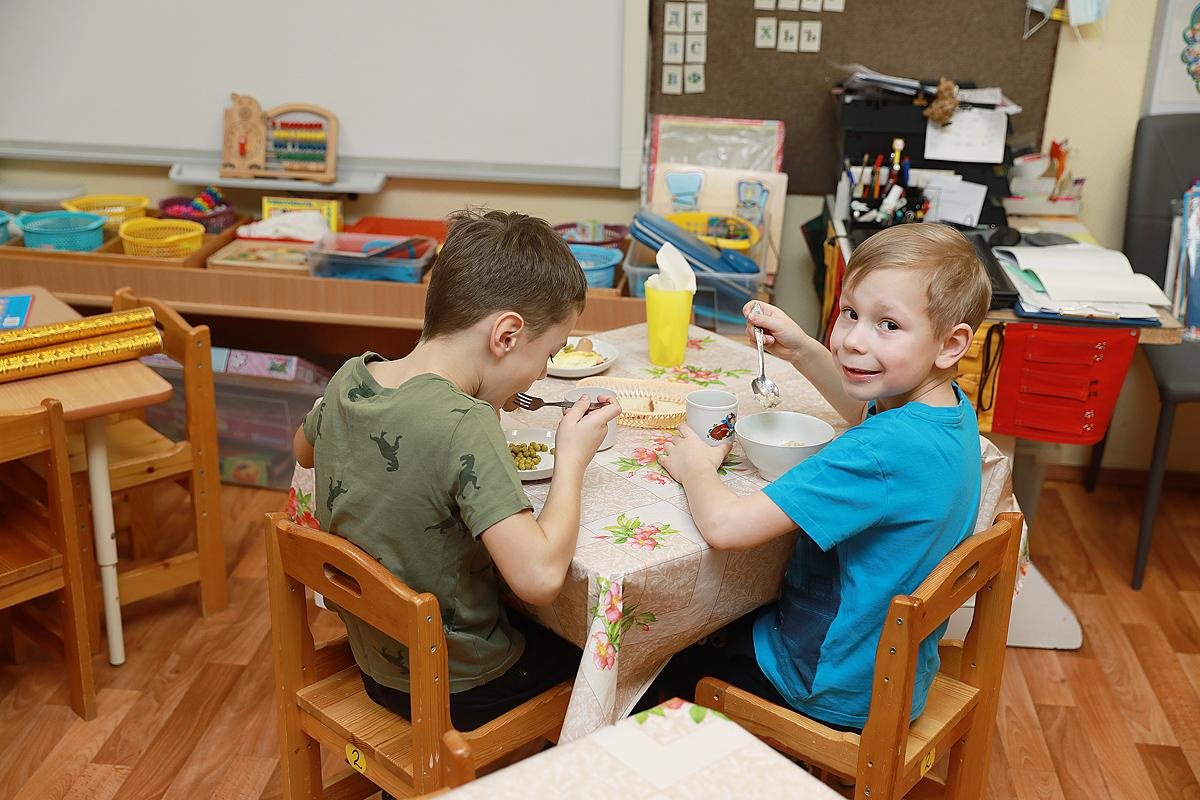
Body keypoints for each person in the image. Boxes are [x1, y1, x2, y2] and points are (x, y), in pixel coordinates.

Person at [650, 223, 991, 730]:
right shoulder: (946, 414)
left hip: (825, 683)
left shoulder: (877, 451)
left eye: (888, 325)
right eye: (850, 313)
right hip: (891, 675)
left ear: (950, 344)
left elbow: (726, 527)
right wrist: (804, 350)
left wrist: (697, 466)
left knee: (660, 661)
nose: (852, 341)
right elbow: (863, 413)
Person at [293, 210, 620, 733]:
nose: (541, 373)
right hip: (457, 682)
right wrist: (572, 459)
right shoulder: (463, 423)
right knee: (623, 665)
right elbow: (538, 578)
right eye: (548, 354)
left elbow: (304, 451)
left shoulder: (350, 378)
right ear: (506, 335)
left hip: (377, 659)